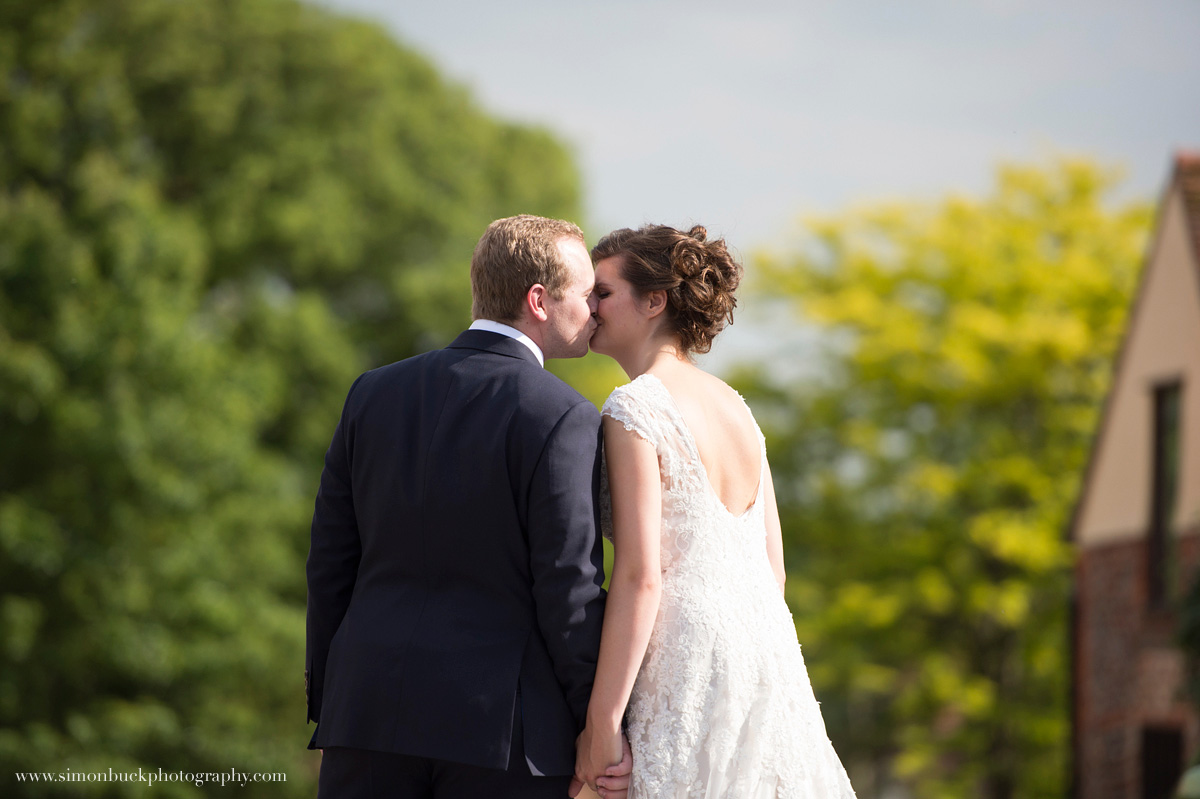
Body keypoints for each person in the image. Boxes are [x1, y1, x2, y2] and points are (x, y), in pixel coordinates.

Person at [306, 215, 631, 799]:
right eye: (585, 294)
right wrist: (598, 723)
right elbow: (568, 586)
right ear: (538, 300)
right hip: (500, 736)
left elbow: (330, 562)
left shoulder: (372, 393)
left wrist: (332, 702)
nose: (595, 310)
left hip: (365, 717)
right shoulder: (562, 414)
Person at [573, 224, 857, 798]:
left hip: (686, 659)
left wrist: (601, 722)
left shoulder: (635, 405)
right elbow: (774, 571)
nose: (588, 305)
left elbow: (639, 575)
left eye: (602, 292)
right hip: (764, 654)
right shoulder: (737, 407)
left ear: (654, 301)